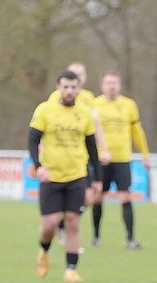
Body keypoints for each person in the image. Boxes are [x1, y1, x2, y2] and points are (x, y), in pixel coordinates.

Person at [29, 70, 103, 282]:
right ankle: (44, 251)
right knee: (49, 225)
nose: (69, 91)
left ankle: (71, 269)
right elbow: (33, 140)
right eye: (66, 87)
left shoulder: (85, 113)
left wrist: (96, 178)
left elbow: (92, 148)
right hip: (51, 176)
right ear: (58, 87)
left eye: (73, 87)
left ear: (79, 88)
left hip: (77, 176)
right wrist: (38, 165)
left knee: (73, 222)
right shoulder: (45, 110)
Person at [49, 62, 110, 240]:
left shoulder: (89, 98)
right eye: (75, 73)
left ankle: (65, 222)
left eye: (81, 74)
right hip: (63, 158)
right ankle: (64, 225)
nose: (78, 77)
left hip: (83, 156)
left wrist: (104, 149)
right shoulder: (55, 97)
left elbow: (96, 125)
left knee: (89, 198)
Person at [92, 71, 151, 248]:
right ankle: (96, 237)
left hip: (123, 159)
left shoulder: (128, 105)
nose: (111, 86)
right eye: (108, 83)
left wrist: (145, 154)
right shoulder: (94, 105)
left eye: (114, 83)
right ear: (102, 86)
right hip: (101, 160)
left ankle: (130, 239)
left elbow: (137, 132)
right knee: (97, 198)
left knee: (126, 197)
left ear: (119, 85)